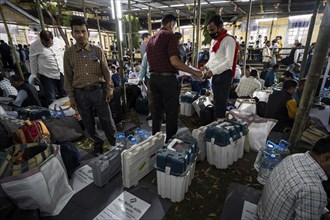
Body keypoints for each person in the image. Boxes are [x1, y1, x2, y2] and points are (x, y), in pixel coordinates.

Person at [64, 18, 116, 155]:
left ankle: (114, 142)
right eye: (77, 31)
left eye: (83, 31)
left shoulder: (97, 51)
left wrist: (110, 88)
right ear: (72, 33)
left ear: (88, 33)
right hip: (80, 94)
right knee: (88, 122)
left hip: (99, 91)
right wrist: (71, 97)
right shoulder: (69, 53)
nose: (80, 34)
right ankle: (97, 142)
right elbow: (68, 77)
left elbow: (106, 72)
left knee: (107, 120)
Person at [147, 14, 202, 141]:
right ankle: (170, 143)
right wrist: (194, 72)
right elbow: (175, 61)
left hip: (153, 79)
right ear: (171, 24)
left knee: (157, 112)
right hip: (167, 80)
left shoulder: (151, 39)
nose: (174, 29)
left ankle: (155, 140)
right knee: (171, 113)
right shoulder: (170, 36)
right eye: (175, 26)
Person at [257, 136, 330, 220]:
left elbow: (309, 199)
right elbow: (311, 194)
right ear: (325, 158)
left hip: (262, 213)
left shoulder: (296, 157)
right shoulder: (313, 189)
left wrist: (324, 213)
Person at [203, 15, 238, 119]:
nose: (210, 33)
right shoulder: (214, 41)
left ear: (220, 27)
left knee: (221, 103)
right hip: (214, 74)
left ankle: (219, 124)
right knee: (215, 100)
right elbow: (212, 59)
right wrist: (205, 67)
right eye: (209, 30)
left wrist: (212, 72)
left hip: (223, 75)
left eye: (212, 30)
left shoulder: (229, 40)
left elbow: (228, 62)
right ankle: (216, 122)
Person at [30, 30, 66, 106]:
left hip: (61, 72)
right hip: (46, 75)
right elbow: (33, 61)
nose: (48, 45)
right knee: (51, 96)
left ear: (52, 39)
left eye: (50, 43)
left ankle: (67, 111)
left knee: (64, 93)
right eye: (45, 44)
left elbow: (62, 55)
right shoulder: (34, 46)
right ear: (41, 39)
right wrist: (34, 75)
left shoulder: (58, 41)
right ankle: (54, 114)